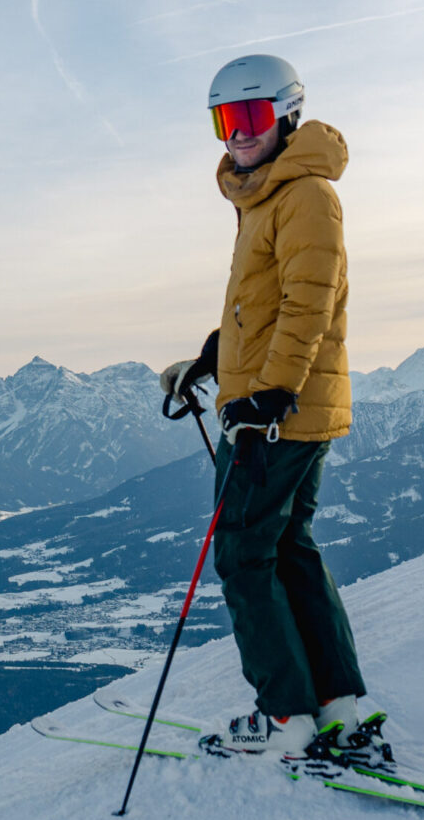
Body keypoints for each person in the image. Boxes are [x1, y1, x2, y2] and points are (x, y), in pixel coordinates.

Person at [158, 54, 378, 763]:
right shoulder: (268, 196)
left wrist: (269, 396)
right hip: (280, 402)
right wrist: (214, 359)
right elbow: (262, 303)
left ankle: (287, 718)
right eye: (226, 120)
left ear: (286, 115)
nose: (238, 135)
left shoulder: (304, 194)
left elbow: (307, 300)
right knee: (287, 548)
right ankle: (336, 709)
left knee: (246, 557)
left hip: (278, 411)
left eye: (251, 117)